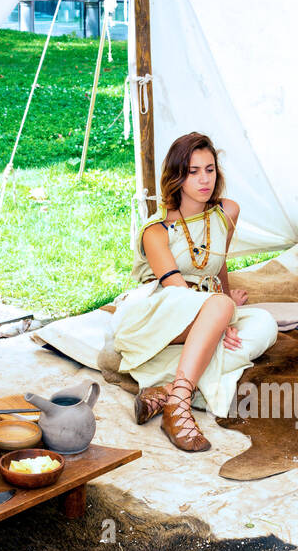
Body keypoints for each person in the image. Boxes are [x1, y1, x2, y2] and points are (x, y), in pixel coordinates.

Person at [113, 132, 278, 451]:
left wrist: (227, 302)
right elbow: (175, 287)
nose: (204, 179)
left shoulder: (226, 212)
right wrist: (223, 314)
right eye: (193, 171)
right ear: (177, 176)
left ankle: (167, 391)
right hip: (158, 312)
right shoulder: (156, 229)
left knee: (265, 325)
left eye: (210, 169)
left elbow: (220, 265)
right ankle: (181, 405)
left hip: (206, 310)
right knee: (219, 316)